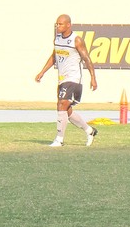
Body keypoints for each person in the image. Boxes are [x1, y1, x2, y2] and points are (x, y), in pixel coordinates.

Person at [35, 14, 98, 147]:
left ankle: (59, 139)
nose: (58, 26)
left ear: (68, 25)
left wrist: (93, 77)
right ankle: (89, 131)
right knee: (66, 110)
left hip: (73, 78)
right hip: (62, 79)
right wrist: (42, 72)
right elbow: (54, 56)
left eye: (61, 24)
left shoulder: (76, 40)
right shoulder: (57, 38)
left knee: (62, 104)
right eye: (57, 24)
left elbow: (87, 59)